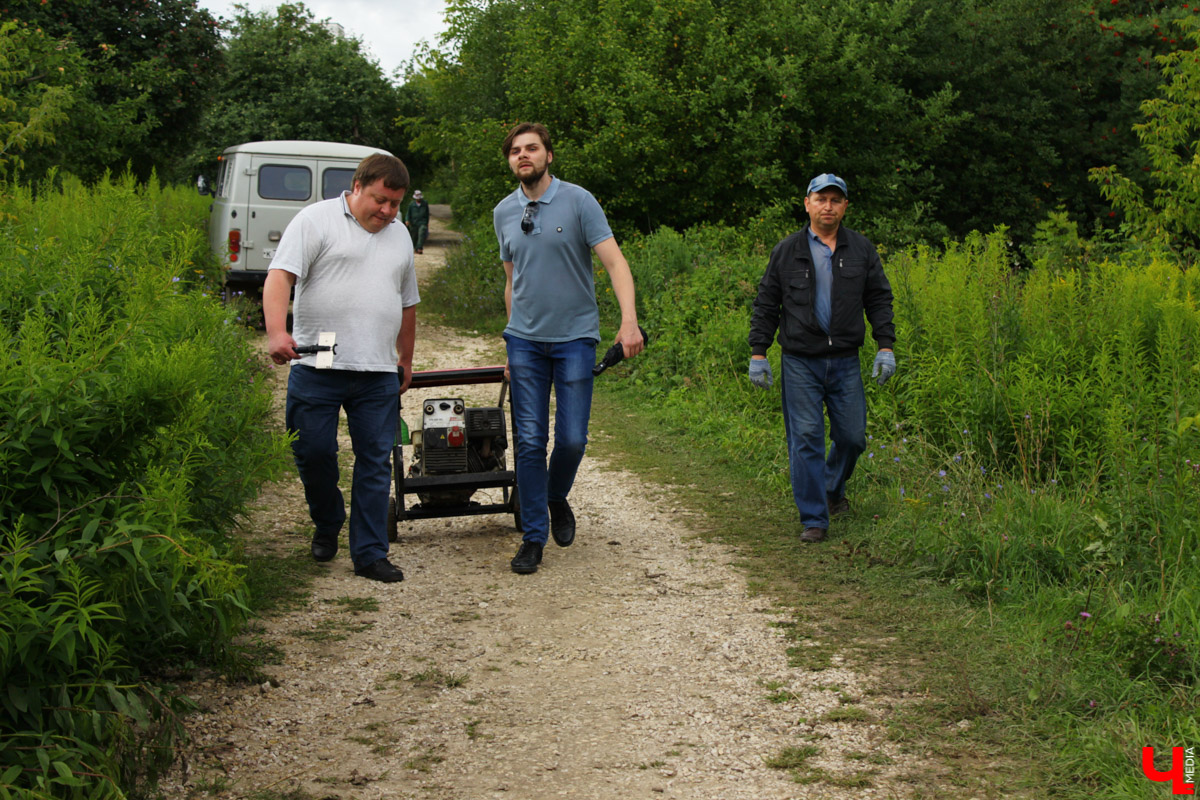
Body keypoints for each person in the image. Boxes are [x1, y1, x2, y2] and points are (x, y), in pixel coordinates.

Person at [493, 122, 644, 574]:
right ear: (510, 161)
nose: (524, 155)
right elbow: (511, 279)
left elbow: (615, 262)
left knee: (574, 438)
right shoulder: (503, 211)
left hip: (576, 338)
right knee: (530, 439)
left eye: (532, 148)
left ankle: (555, 496)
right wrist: (509, 334)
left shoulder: (579, 201)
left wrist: (628, 322)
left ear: (548, 156)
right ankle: (533, 536)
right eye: (516, 150)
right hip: (524, 341)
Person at [264, 153, 419, 583]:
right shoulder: (314, 221)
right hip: (318, 364)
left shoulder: (401, 236)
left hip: (377, 371)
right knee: (313, 452)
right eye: (380, 200)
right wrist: (277, 332)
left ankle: (369, 553)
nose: (387, 212)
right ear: (356, 187)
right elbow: (280, 277)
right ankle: (328, 519)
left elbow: (407, 304)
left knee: (375, 461)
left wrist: (405, 358)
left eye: (395, 204)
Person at [748, 173, 896, 543]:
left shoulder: (862, 250)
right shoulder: (787, 250)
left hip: (845, 360)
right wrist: (758, 352)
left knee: (852, 436)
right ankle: (814, 517)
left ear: (845, 206)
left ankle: (831, 488)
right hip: (800, 360)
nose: (828, 206)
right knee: (807, 437)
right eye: (821, 198)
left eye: (835, 199)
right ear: (807, 203)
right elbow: (767, 302)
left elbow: (879, 299)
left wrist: (886, 345)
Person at [404, 189, 430, 254]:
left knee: (421, 234)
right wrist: (407, 220)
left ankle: (419, 248)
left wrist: (427, 223)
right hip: (414, 223)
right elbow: (408, 213)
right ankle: (415, 248)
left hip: (422, 222)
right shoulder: (411, 204)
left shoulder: (425, 203)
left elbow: (427, 213)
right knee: (414, 236)